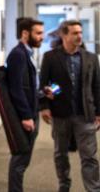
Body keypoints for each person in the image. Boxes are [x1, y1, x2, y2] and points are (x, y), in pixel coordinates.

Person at [39, 20, 100, 192]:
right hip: (60, 114)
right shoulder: (50, 57)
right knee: (61, 155)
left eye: (80, 32)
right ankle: (64, 185)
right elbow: (44, 84)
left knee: (89, 157)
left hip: (85, 114)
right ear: (64, 35)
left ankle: (94, 189)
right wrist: (44, 106)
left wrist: (99, 112)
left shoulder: (91, 58)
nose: (79, 36)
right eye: (74, 33)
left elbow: (97, 86)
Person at [6, 17, 44, 192]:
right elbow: (16, 88)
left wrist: (42, 93)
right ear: (25, 33)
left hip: (32, 112)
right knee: (20, 160)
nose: (42, 37)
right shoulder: (18, 55)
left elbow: (27, 86)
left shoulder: (27, 53)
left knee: (23, 160)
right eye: (38, 33)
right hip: (26, 116)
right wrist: (26, 116)